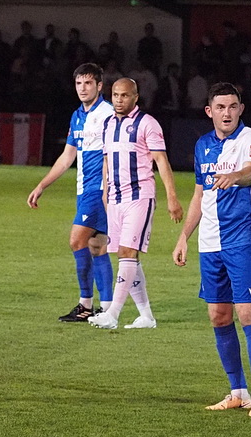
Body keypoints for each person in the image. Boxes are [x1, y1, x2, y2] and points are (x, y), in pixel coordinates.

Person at [172, 82, 251, 417]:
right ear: (209, 111)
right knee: (218, 316)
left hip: (242, 238)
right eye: (220, 107)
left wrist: (236, 177)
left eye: (232, 106)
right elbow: (199, 194)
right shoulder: (202, 146)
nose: (226, 113)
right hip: (210, 243)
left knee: (247, 314)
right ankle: (237, 391)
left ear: (241, 108)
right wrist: (185, 235)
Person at [89, 78, 183, 330]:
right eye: (116, 95)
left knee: (128, 252)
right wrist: (105, 193)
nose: (119, 100)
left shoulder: (147, 123)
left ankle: (113, 314)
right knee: (125, 254)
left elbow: (161, 161)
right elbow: (107, 161)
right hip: (115, 198)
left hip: (139, 196)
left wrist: (172, 198)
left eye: (124, 95)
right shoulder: (107, 124)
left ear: (136, 97)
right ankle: (146, 317)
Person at [27, 63, 114, 323]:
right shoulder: (77, 115)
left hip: (98, 191)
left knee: (77, 241)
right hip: (83, 189)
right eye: (79, 83)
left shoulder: (108, 114)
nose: (83, 88)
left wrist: (108, 194)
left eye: (88, 83)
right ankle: (108, 308)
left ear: (99, 86)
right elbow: (67, 157)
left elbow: (112, 156)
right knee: (96, 246)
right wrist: (42, 185)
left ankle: (86, 304)